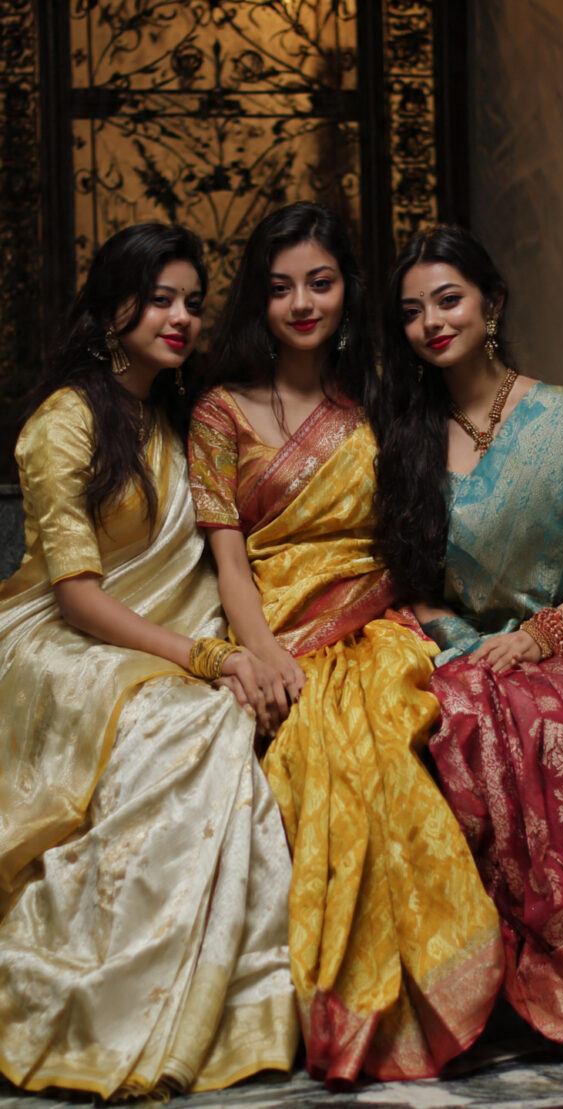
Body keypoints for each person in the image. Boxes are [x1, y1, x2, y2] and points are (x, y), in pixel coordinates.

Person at [187, 202, 503, 1088]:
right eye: (282, 285)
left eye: (320, 282)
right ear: (258, 294)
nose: (301, 302)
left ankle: (419, 998)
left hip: (373, 616)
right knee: (315, 744)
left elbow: (415, 517)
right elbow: (230, 562)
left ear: (345, 289)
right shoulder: (219, 410)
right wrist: (270, 653)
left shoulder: (379, 392)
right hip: (273, 619)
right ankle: (344, 1003)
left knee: (377, 746)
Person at [0, 222, 298, 1098]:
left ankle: (221, 1006)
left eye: (192, 303)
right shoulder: (65, 419)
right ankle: (101, 991)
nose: (180, 318)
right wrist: (207, 655)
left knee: (233, 719)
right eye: (160, 299)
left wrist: (250, 650)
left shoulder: (178, 418)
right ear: (110, 308)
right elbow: (78, 596)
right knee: (196, 721)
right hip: (61, 643)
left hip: (158, 640)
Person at [373, 223, 563, 1043]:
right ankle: (499, 985)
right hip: (456, 643)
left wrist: (547, 633)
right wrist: (455, 638)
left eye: (449, 300)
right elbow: (406, 578)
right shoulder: (401, 438)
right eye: (413, 311)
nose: (432, 322)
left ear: (492, 305)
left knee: (542, 712)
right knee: (457, 711)